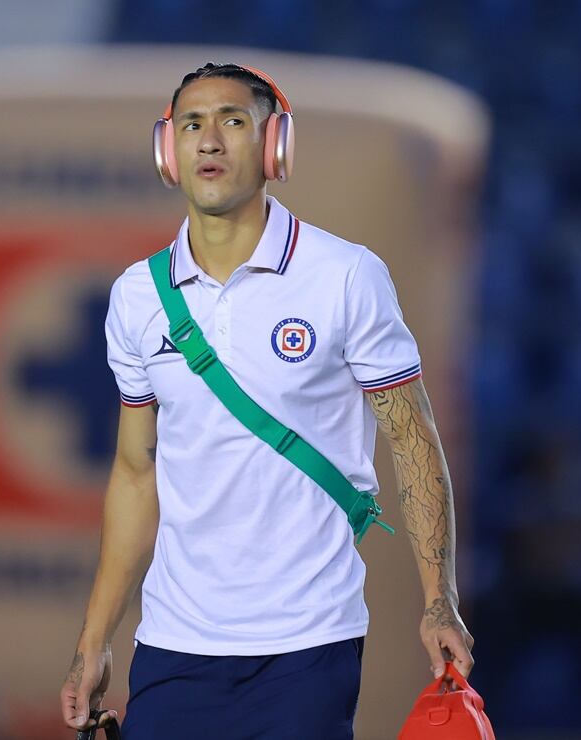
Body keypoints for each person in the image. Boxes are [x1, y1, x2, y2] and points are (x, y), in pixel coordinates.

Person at [60, 62, 473, 738]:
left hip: (307, 643)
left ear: (274, 145)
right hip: (172, 644)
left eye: (232, 121)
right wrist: (93, 640)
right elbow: (135, 473)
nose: (209, 141)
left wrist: (438, 600)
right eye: (191, 124)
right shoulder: (136, 296)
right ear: (168, 151)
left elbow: (412, 440)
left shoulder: (345, 277)